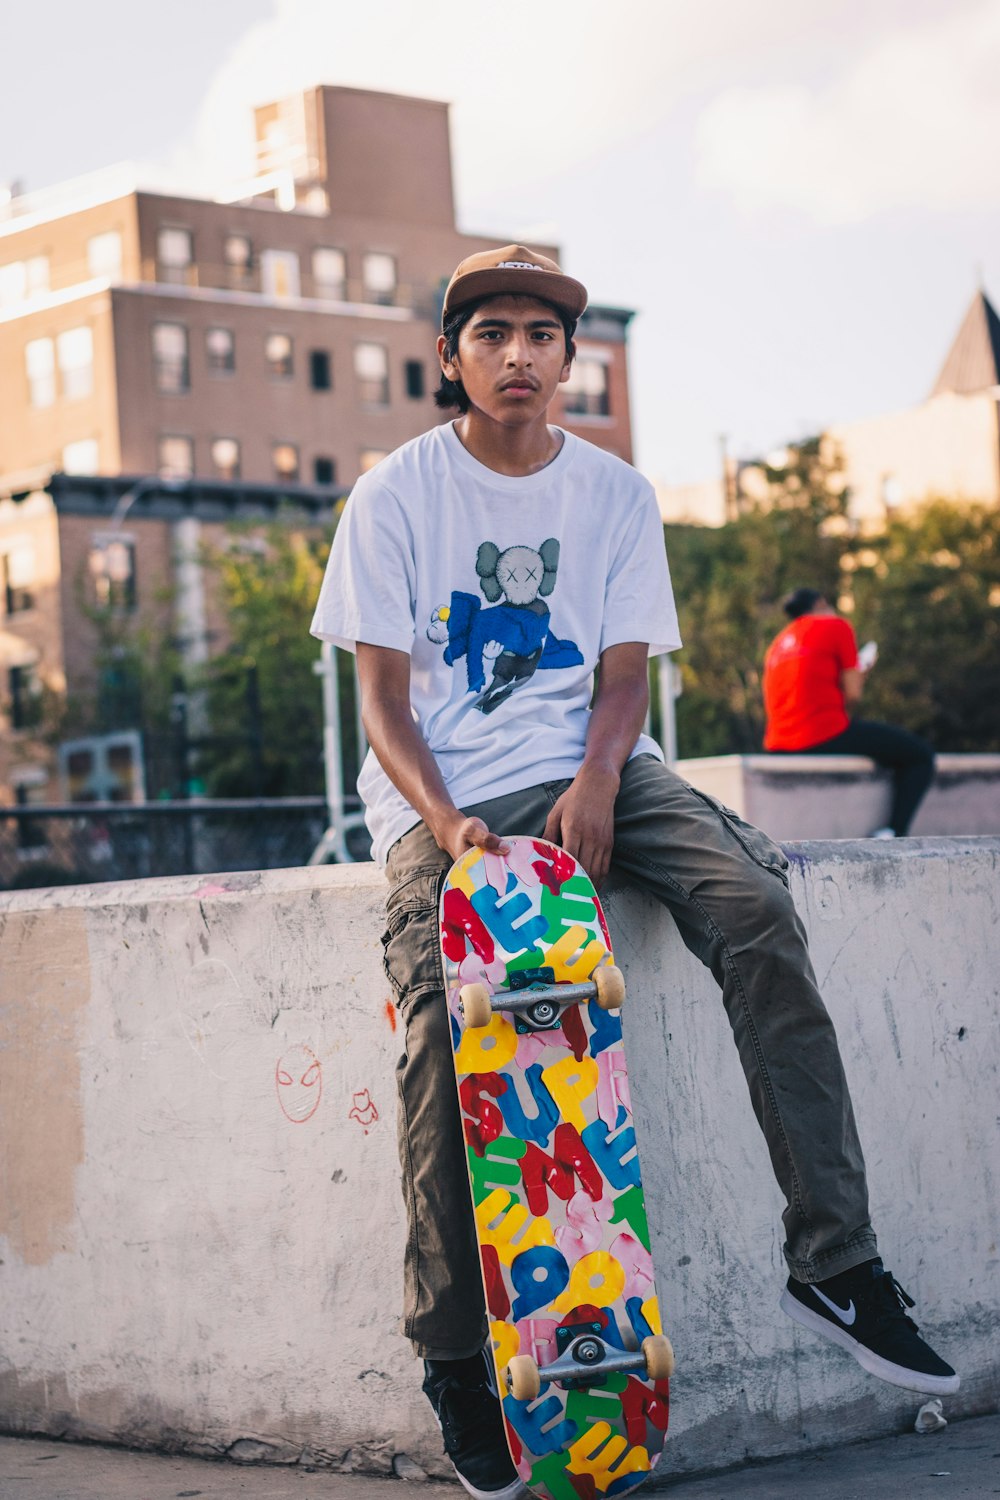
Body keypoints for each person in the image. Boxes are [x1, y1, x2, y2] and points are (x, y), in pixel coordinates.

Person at [311, 247, 958, 1499]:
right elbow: (384, 702)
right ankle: (456, 1349)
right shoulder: (394, 497)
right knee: (446, 1034)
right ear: (449, 358)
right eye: (489, 334)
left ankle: (835, 1261)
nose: (516, 355)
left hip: (604, 770)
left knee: (756, 910)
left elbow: (621, 676)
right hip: (441, 796)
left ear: (570, 358)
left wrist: (601, 780)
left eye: (540, 336)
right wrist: (445, 826)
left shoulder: (614, 493)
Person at [763, 587, 935, 837]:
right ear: (821, 603)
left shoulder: (778, 644)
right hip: (820, 734)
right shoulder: (835, 626)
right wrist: (861, 672)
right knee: (920, 756)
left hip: (778, 744)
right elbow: (853, 695)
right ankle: (893, 832)